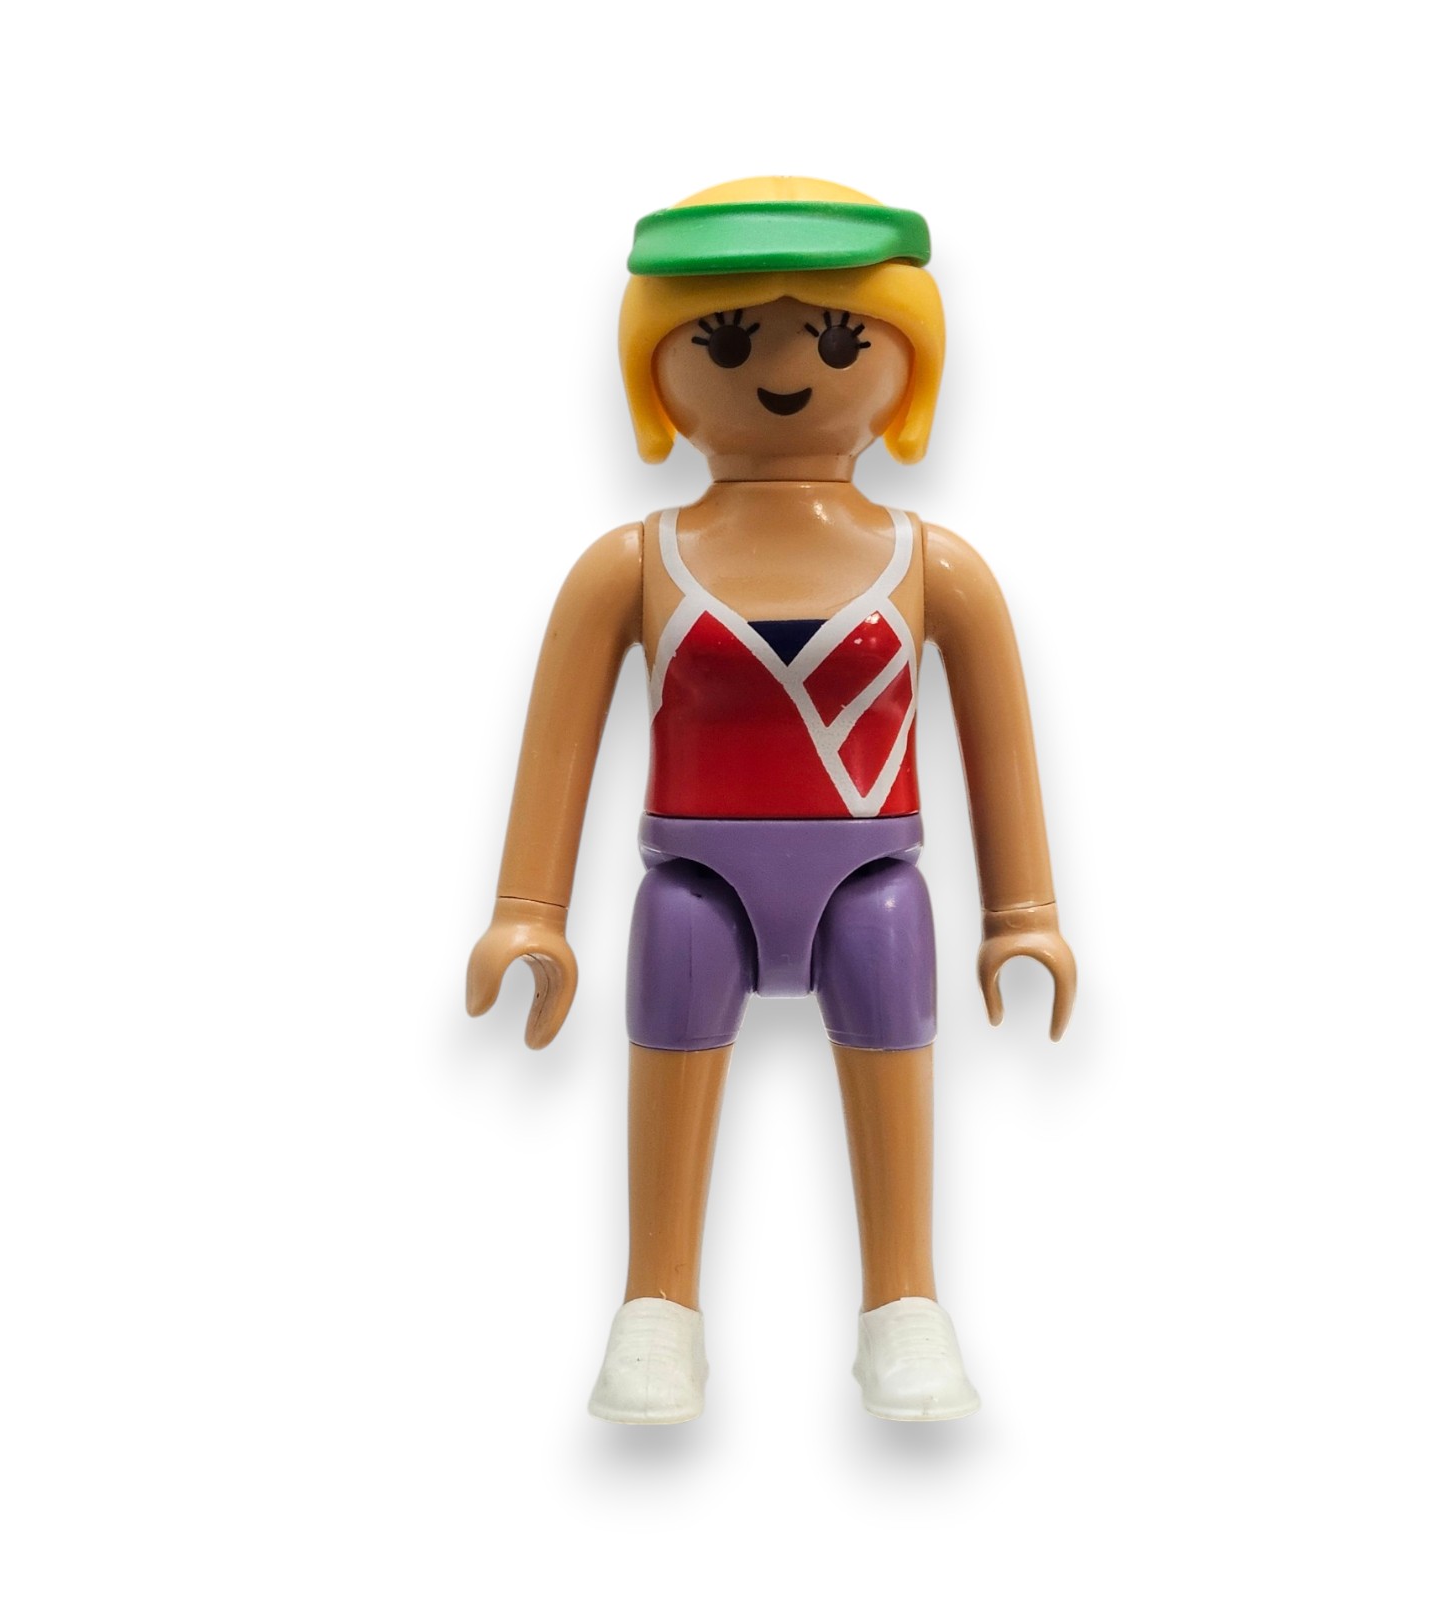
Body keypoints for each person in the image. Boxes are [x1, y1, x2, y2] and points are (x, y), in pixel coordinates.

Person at [466, 176, 1076, 1423]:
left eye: (840, 339)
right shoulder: (632, 565)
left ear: (907, 357)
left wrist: (1023, 915)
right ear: (656, 360)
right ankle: (656, 1307)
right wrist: (529, 910)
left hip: (871, 878)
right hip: (693, 878)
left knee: (893, 1056)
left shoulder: (934, 567)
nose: (789, 371)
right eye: (731, 338)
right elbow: (556, 741)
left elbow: (999, 743)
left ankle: (903, 1303)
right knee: (671, 1049)